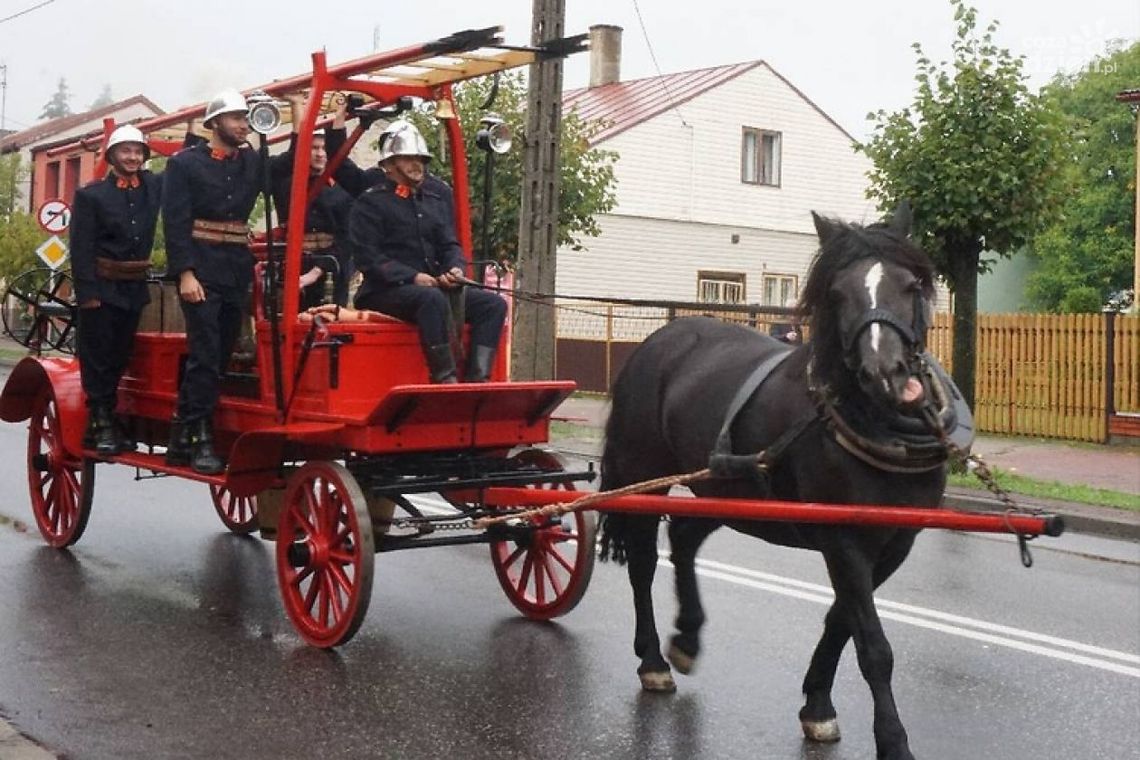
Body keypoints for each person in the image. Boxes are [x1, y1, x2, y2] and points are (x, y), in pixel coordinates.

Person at [347, 121, 506, 383]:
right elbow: (368, 258)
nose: (416, 164)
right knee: (431, 299)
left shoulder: (433, 201)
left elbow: (450, 245)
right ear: (389, 165)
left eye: (420, 158)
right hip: (384, 292)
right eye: (408, 158)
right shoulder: (370, 203)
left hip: (432, 291)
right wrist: (412, 277)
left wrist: (454, 269)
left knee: (493, 304)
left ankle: (477, 379)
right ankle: (445, 379)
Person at [161, 88, 263, 474]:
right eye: (237, 118)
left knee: (220, 356)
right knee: (204, 354)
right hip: (200, 271)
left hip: (235, 269)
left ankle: (180, 431)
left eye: (246, 118)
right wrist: (185, 273)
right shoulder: (184, 164)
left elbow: (292, 164)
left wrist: (300, 113)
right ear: (215, 122)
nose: (243, 125)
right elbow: (175, 223)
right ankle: (199, 435)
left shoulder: (251, 162)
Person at [70, 124, 162, 455]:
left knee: (121, 355)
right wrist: (88, 294)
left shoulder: (151, 187)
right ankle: (101, 420)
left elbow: (181, 167)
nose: (133, 157)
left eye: (138, 152)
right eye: (126, 151)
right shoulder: (91, 196)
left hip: (133, 288)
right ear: (111, 156)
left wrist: (194, 135)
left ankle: (105, 419)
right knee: (99, 356)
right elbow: (80, 247)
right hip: (102, 287)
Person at [270, 94, 352, 310]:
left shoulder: (343, 188)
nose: (320, 154)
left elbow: (346, 237)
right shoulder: (285, 182)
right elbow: (294, 150)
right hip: (293, 265)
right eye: (314, 148)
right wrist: (296, 104)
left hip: (332, 268)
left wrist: (318, 270)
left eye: (324, 148)